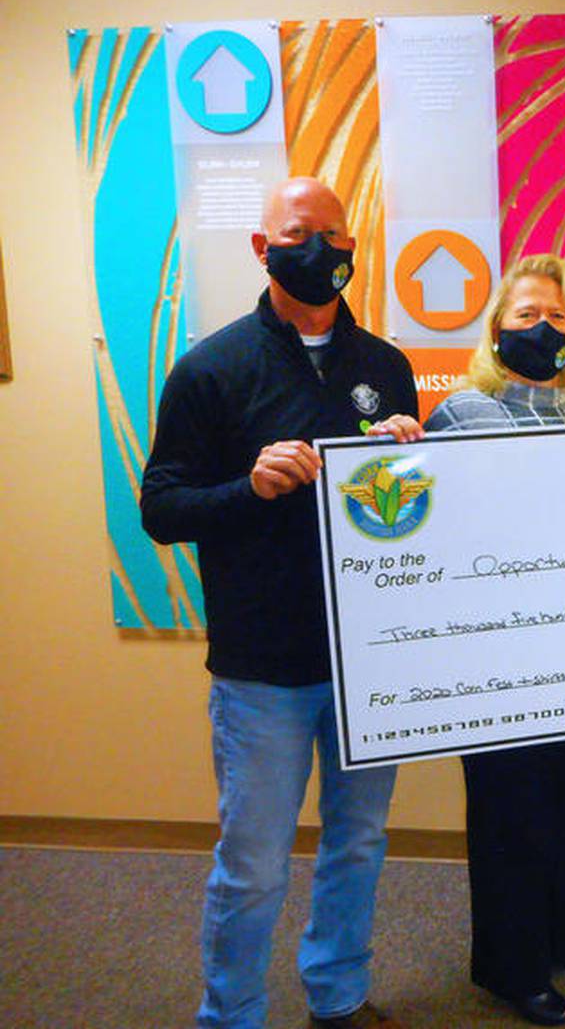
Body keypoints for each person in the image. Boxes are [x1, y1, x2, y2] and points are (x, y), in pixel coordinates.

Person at [141, 177, 422, 1029]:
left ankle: (338, 995)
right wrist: (249, 487)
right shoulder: (210, 370)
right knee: (256, 864)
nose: (322, 248)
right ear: (262, 249)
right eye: (301, 233)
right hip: (262, 671)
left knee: (359, 845)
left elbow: (400, 519)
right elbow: (161, 508)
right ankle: (230, 1016)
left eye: (336, 234)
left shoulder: (386, 366)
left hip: (368, 663)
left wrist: (414, 465)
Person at [425, 254, 565, 1028]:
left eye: (560, 317)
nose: (546, 327)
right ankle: (512, 966)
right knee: (512, 811)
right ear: (497, 330)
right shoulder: (459, 413)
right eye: (528, 315)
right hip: (500, 653)